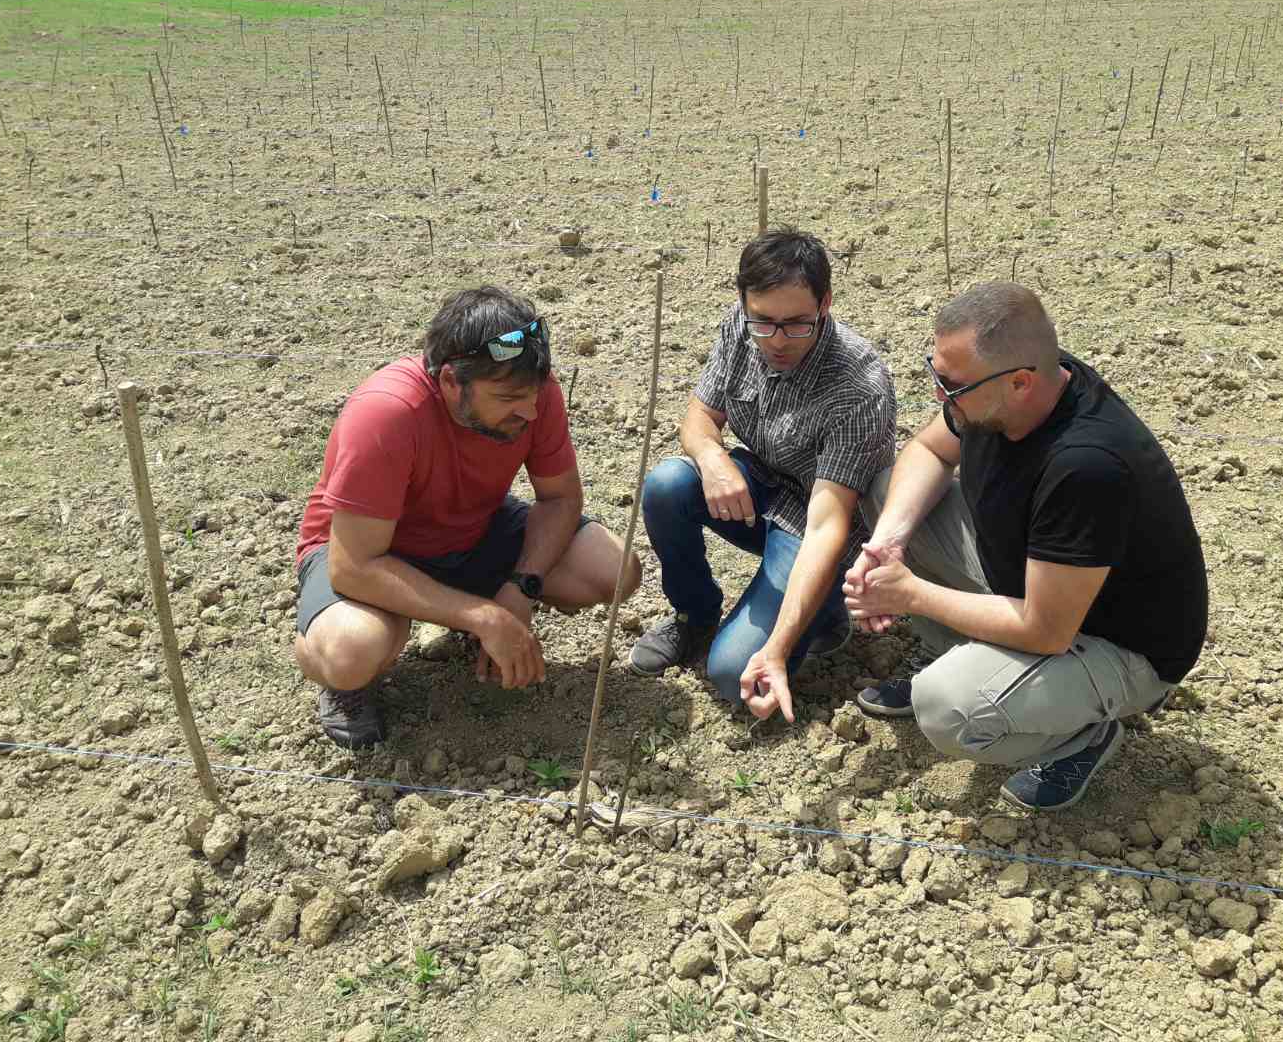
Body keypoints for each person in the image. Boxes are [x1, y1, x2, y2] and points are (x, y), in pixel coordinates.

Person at [839, 281, 1208, 810]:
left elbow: (1046, 628)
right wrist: (890, 543)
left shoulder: (1087, 464)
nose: (941, 397)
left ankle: (1083, 734)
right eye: (936, 375)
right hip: (1035, 583)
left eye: (953, 386)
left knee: (948, 706)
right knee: (888, 493)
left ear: (1019, 382)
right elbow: (927, 449)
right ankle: (964, 654)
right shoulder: (1014, 390)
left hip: (1116, 646)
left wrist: (909, 595)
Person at [293, 286, 639, 748]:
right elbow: (354, 566)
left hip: (475, 530)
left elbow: (559, 500)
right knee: (351, 651)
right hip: (378, 554)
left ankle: (466, 614)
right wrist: (484, 616)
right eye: (508, 397)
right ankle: (347, 689)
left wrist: (520, 590)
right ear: (451, 381)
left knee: (616, 569)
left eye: (534, 394)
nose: (531, 411)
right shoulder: (387, 414)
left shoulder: (533, 392)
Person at [631, 228, 896, 723]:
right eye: (763, 322)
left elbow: (827, 526)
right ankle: (695, 615)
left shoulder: (859, 385)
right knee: (668, 485)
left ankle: (825, 608)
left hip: (819, 523)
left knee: (735, 674)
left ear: (826, 304)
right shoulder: (740, 325)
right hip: (762, 482)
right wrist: (714, 463)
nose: (777, 340)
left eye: (797, 324)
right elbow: (698, 420)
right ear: (745, 303)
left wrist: (774, 649)